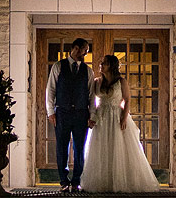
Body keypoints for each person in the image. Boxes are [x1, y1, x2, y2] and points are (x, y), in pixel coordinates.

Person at [80, 54, 160, 193]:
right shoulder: (97, 82)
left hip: (117, 115)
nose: (101, 65)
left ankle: (120, 181)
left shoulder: (121, 81)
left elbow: (127, 100)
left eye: (103, 63)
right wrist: (92, 116)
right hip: (102, 116)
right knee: (101, 148)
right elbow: (91, 101)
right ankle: (103, 182)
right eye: (101, 63)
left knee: (118, 147)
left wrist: (123, 118)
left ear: (111, 65)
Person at [45, 38, 92, 193]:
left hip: (81, 113)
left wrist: (92, 115)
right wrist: (50, 112)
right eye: (85, 50)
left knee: (80, 147)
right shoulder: (58, 66)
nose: (86, 53)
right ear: (76, 48)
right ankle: (63, 181)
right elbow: (50, 89)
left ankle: (76, 181)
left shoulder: (88, 70)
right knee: (61, 147)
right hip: (63, 113)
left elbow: (92, 95)